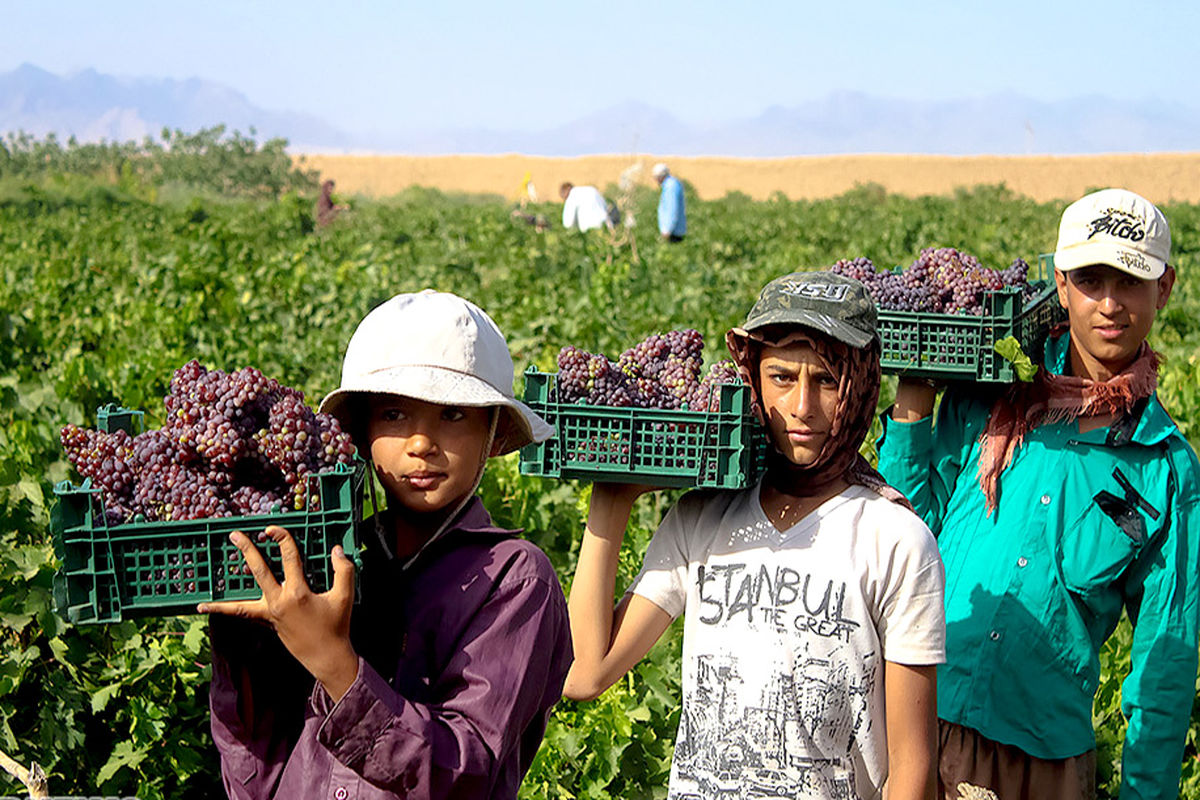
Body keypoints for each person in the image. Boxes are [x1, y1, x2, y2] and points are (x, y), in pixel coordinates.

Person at [565, 270, 946, 800]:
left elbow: (912, 769)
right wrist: (612, 498)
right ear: (753, 379)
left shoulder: (897, 540)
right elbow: (586, 673)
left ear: (861, 384)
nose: (802, 407)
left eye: (828, 380)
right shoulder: (702, 517)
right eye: (783, 377)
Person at [877, 188, 1199, 800]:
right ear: (1059, 282)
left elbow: (1164, 667)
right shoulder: (989, 396)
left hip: (1040, 766)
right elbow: (903, 529)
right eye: (1090, 278)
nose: (1109, 303)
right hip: (913, 723)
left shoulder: (1167, 471)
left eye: (1130, 282)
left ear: (1164, 288)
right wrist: (913, 397)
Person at [200, 290, 573, 799]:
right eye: (395, 415)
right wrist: (240, 650)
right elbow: (257, 770)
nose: (422, 443)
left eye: (454, 415)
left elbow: (466, 774)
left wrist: (336, 665)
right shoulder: (329, 562)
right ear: (362, 432)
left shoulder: (516, 580)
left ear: (492, 434)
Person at [652, 162, 686, 242]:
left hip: (673, 233)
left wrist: (667, 230)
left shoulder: (671, 187)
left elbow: (672, 209)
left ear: (660, 176)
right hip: (674, 231)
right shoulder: (670, 184)